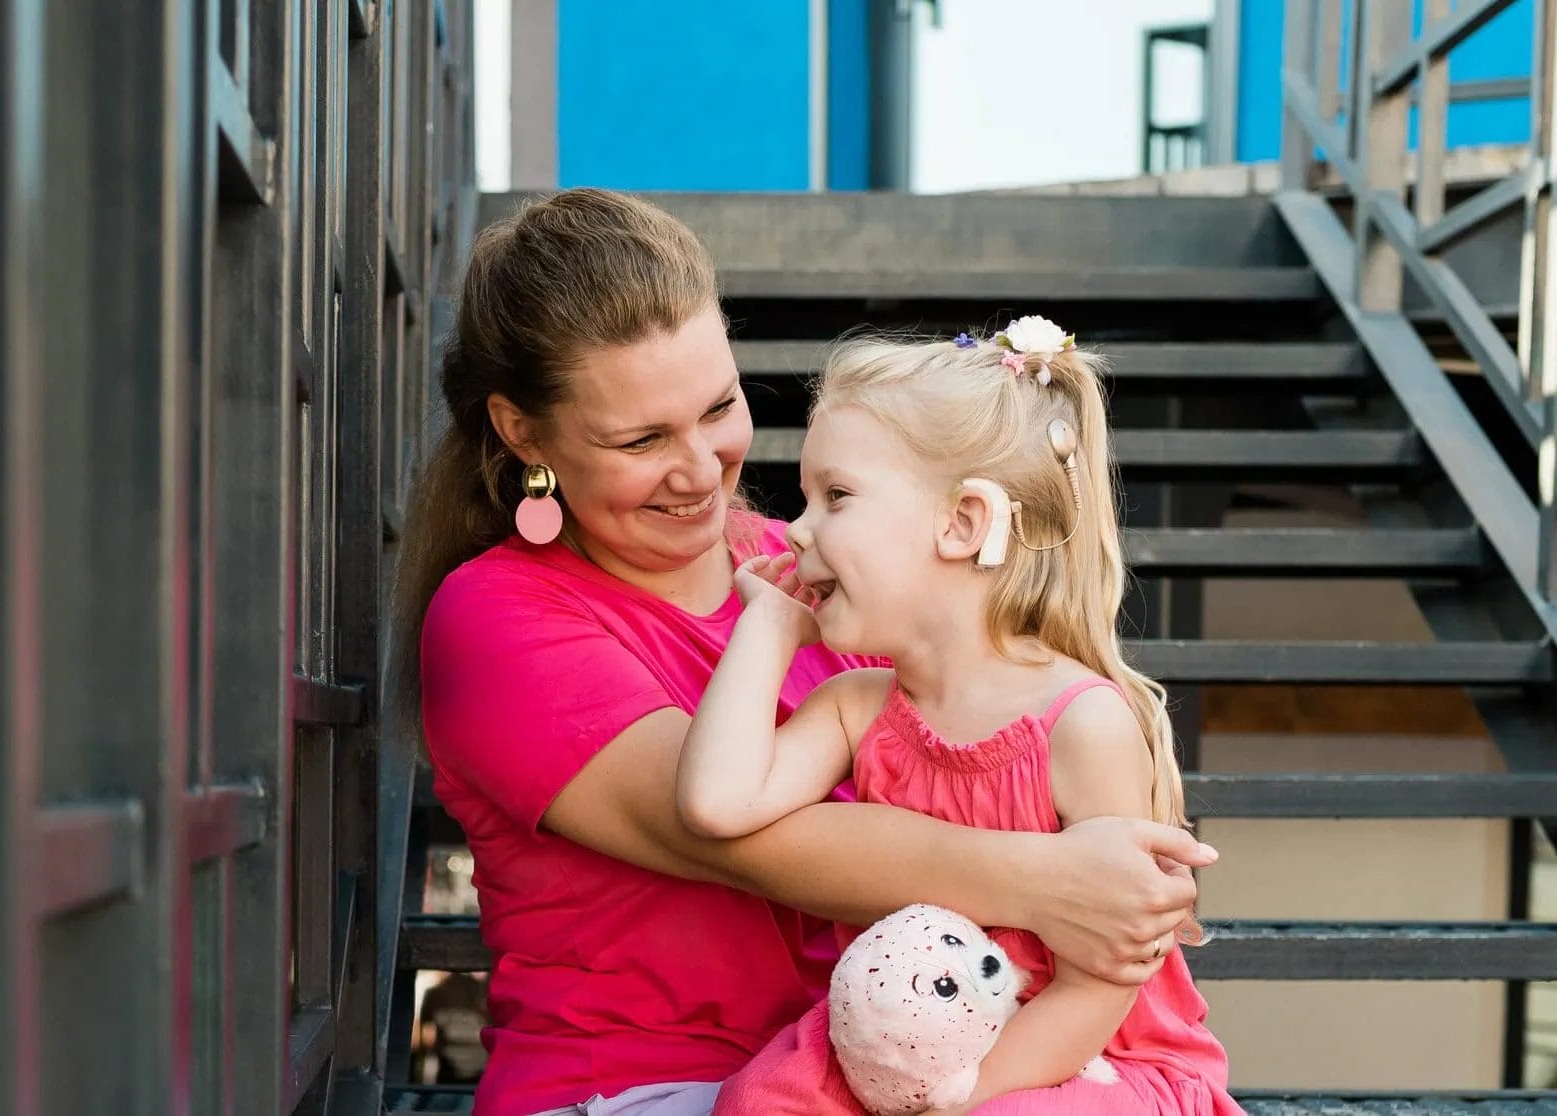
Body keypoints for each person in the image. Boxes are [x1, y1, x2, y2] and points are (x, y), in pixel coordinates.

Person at [396, 188, 1219, 1116]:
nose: (702, 469)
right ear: (522, 431)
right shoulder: (494, 619)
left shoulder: (805, 570)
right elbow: (735, 835)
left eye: (718, 408)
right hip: (641, 1086)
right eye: (642, 439)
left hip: (886, 1060)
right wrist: (1062, 882)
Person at [677, 323, 1241, 1114]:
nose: (797, 529)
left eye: (835, 496)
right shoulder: (854, 709)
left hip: (1078, 1061)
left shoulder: (1082, 725)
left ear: (962, 524)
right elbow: (715, 804)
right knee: (756, 1100)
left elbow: (1103, 983)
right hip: (908, 1055)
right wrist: (766, 628)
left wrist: (967, 1095)